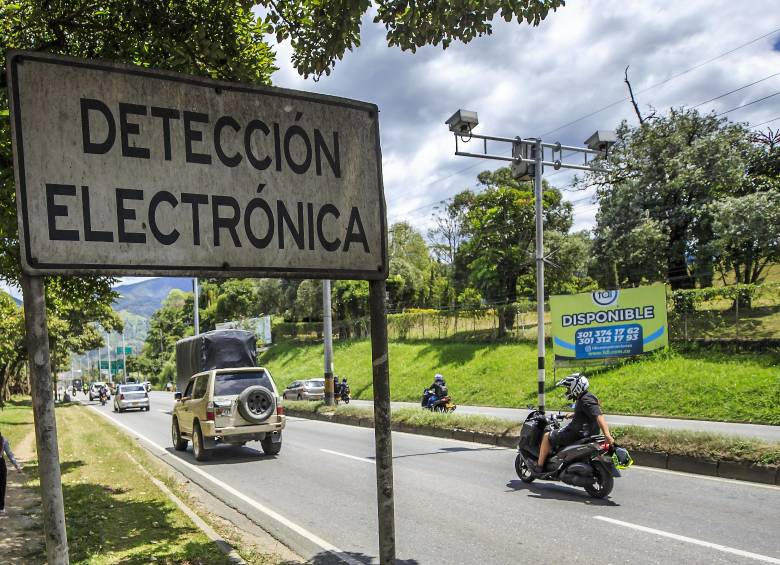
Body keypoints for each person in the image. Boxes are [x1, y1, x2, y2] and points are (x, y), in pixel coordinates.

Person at [531, 373, 614, 474]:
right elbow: (587, 413)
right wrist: (573, 414)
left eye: (569, 388)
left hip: (576, 433)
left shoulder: (585, 400)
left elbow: (599, 416)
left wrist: (607, 435)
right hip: (589, 432)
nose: (568, 391)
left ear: (576, 387)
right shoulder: (587, 397)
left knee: (547, 436)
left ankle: (539, 466)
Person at [0, 430, 23, 515]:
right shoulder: (3, 440)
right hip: (1, 464)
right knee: (2, 485)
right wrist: (17, 466)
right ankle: (1, 507)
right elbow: (9, 454)